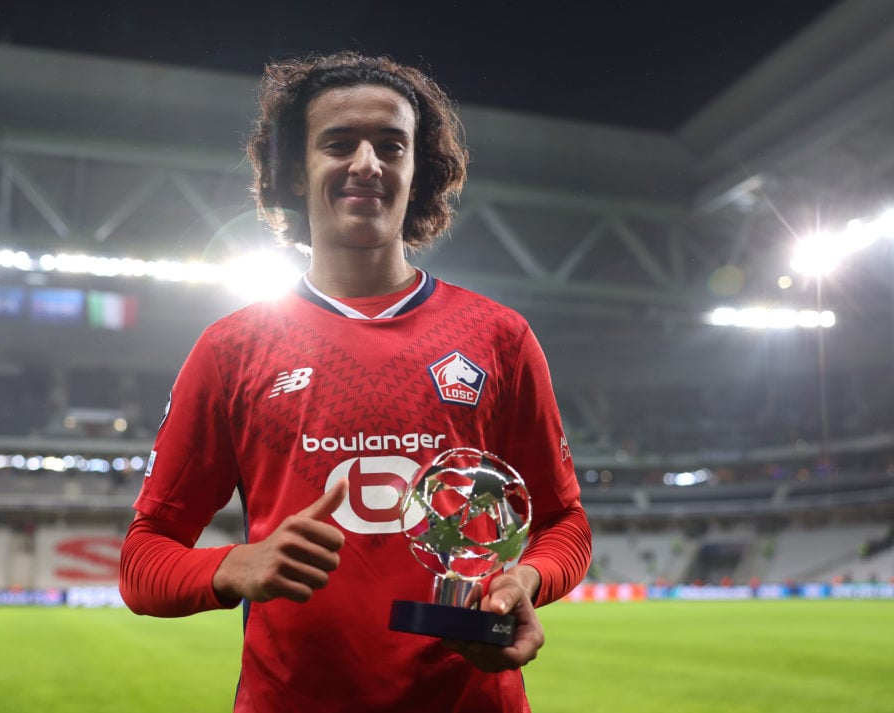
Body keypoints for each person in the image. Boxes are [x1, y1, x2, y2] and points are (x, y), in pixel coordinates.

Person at [119, 51, 592, 712]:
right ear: (292, 172)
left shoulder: (499, 337)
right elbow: (143, 561)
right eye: (339, 143)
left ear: (416, 171)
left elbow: (565, 521)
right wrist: (230, 566)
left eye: (391, 146)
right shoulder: (230, 348)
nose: (367, 163)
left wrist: (524, 580)